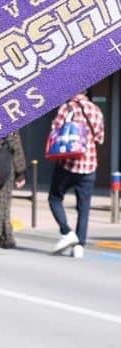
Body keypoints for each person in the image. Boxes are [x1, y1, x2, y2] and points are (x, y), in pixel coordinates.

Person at [48, 91, 105, 259]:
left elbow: (55, 131)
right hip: (89, 165)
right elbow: (100, 138)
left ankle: (67, 231)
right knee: (84, 207)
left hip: (67, 163)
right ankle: (79, 245)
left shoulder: (66, 108)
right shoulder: (95, 110)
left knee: (55, 198)